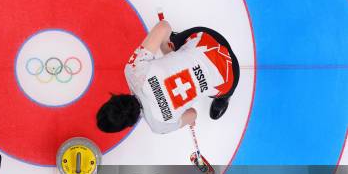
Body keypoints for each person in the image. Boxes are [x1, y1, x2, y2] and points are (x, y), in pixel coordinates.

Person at [96, 20, 240, 134]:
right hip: (210, 39)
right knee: (171, 44)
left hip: (229, 75)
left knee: (223, 90)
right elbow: (164, 26)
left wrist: (185, 120)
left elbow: (193, 114)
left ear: (128, 124)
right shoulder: (133, 71)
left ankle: (223, 99)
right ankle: (175, 45)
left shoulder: (159, 125)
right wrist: (166, 48)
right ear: (114, 98)